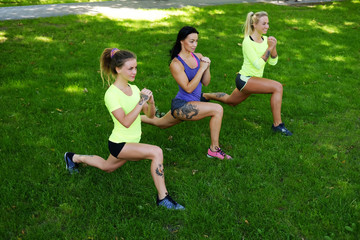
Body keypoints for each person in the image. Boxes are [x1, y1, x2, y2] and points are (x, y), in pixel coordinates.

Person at [63, 48, 184, 210]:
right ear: (118, 69)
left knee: (108, 167)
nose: (134, 72)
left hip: (131, 142)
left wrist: (151, 103)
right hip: (119, 144)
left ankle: (73, 157)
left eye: (135, 68)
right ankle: (163, 198)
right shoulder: (111, 95)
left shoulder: (134, 89)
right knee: (156, 151)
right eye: (130, 68)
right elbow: (126, 122)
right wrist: (141, 102)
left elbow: (149, 116)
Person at [141, 26, 232, 160]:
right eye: (191, 41)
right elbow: (188, 88)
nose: (195, 44)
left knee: (160, 123)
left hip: (194, 102)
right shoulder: (176, 64)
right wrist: (201, 69)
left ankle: (135, 119)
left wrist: (207, 67)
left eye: (196, 41)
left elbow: (206, 82)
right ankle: (214, 150)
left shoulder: (198, 56)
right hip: (181, 105)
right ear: (181, 41)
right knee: (217, 109)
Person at [202, 11, 293, 136]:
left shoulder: (266, 40)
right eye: (264, 23)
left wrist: (274, 47)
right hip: (245, 79)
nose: (267, 26)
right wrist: (269, 48)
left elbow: (273, 62)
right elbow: (258, 64)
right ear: (254, 24)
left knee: (231, 101)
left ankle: (207, 96)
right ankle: (277, 125)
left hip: (254, 80)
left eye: (268, 23)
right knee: (277, 87)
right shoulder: (247, 42)